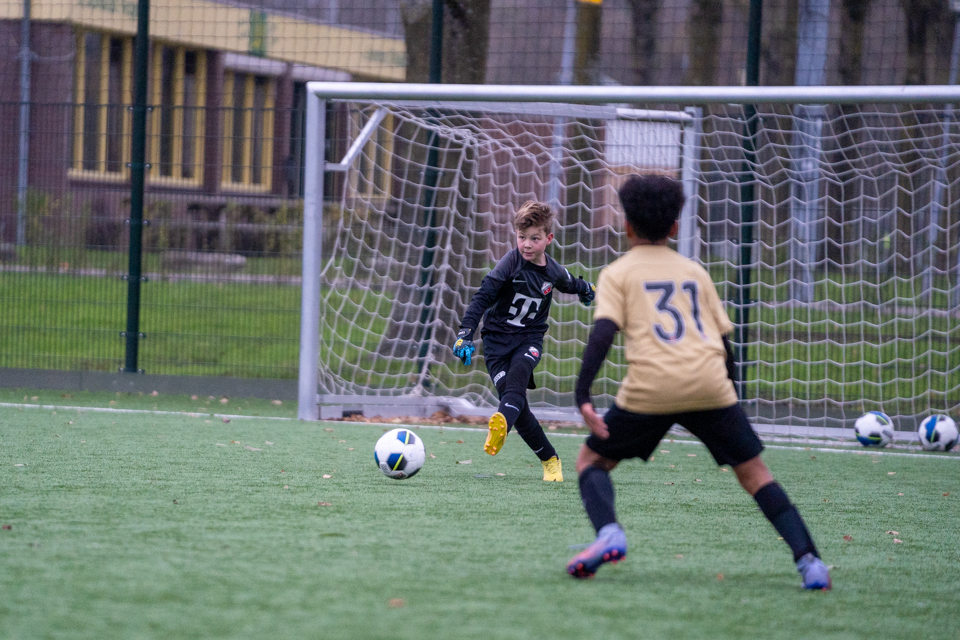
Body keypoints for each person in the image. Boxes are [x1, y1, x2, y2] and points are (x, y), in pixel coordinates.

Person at [566, 174, 831, 590]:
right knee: (756, 475)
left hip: (650, 387)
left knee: (591, 462)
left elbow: (603, 333)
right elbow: (725, 345)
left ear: (626, 225)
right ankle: (810, 562)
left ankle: (610, 534)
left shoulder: (617, 273)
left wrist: (582, 396)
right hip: (710, 385)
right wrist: (731, 403)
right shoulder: (695, 271)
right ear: (675, 226)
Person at [452, 201, 596, 482]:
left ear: (548, 239)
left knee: (516, 382)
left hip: (528, 340)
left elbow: (569, 283)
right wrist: (464, 334)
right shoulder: (509, 264)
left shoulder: (552, 271)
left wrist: (586, 289)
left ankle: (501, 423)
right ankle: (550, 460)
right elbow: (482, 297)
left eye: (534, 238)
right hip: (495, 343)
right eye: (521, 238)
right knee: (517, 403)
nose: (527, 245)